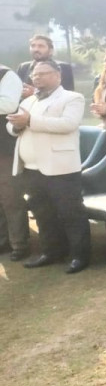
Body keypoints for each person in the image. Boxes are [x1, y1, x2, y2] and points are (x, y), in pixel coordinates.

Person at [6, 60, 89, 273]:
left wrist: (30, 120)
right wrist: (15, 126)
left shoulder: (72, 98)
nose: (38, 77)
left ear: (58, 75)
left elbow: (67, 124)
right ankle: (51, 252)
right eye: (35, 74)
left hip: (60, 168)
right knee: (43, 213)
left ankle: (80, 256)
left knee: (70, 213)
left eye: (43, 73)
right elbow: (12, 125)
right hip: (31, 169)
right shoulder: (29, 100)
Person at [0, 65, 29, 260]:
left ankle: (19, 244)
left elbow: (9, 105)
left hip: (4, 148)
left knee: (10, 197)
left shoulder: (6, 74)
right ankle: (3, 241)